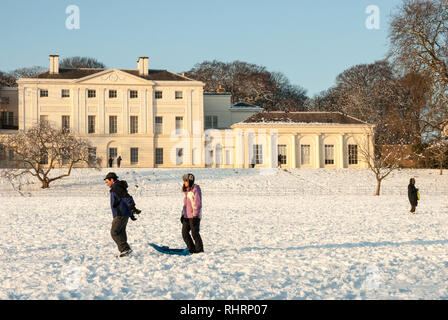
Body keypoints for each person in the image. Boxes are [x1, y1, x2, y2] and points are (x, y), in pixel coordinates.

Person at [104, 172, 133, 257]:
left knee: (114, 232)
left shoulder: (116, 187)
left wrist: (132, 207)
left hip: (120, 214)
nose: (106, 184)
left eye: (107, 182)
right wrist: (130, 212)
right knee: (121, 231)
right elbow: (124, 199)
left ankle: (125, 249)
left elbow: (126, 197)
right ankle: (126, 251)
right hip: (124, 213)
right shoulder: (117, 187)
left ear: (112, 180)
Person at [180, 173, 204, 254]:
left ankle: (199, 250)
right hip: (187, 216)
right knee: (184, 233)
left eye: (185, 181)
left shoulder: (196, 189)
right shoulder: (187, 191)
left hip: (194, 216)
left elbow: (198, 203)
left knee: (195, 233)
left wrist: (195, 216)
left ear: (189, 181)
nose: (184, 183)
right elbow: (185, 205)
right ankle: (192, 249)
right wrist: (183, 214)